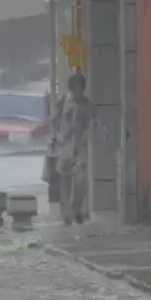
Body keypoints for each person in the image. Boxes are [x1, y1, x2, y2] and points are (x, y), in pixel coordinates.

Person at [53, 71, 94, 225]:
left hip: (81, 146)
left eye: (80, 89)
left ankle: (76, 209)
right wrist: (56, 137)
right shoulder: (63, 102)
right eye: (74, 89)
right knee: (65, 181)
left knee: (81, 180)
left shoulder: (88, 105)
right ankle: (66, 214)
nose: (77, 92)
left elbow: (93, 124)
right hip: (64, 146)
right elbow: (53, 120)